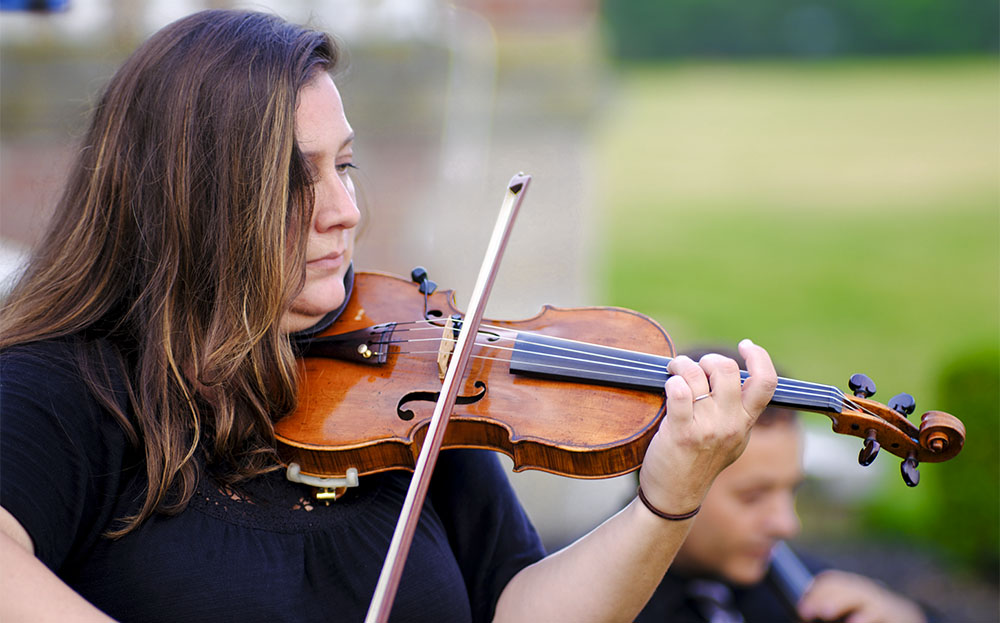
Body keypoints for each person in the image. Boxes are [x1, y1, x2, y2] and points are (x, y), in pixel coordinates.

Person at [0, 9, 778, 623]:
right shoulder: (68, 387)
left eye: (345, 164)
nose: (346, 210)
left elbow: (514, 607)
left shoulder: (416, 383)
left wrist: (668, 496)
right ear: (193, 199)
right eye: (295, 179)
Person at [635, 349, 931, 623]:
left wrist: (904, 614)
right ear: (671, 478)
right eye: (752, 497)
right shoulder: (602, 606)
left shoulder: (788, 578)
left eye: (792, 491)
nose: (787, 525)